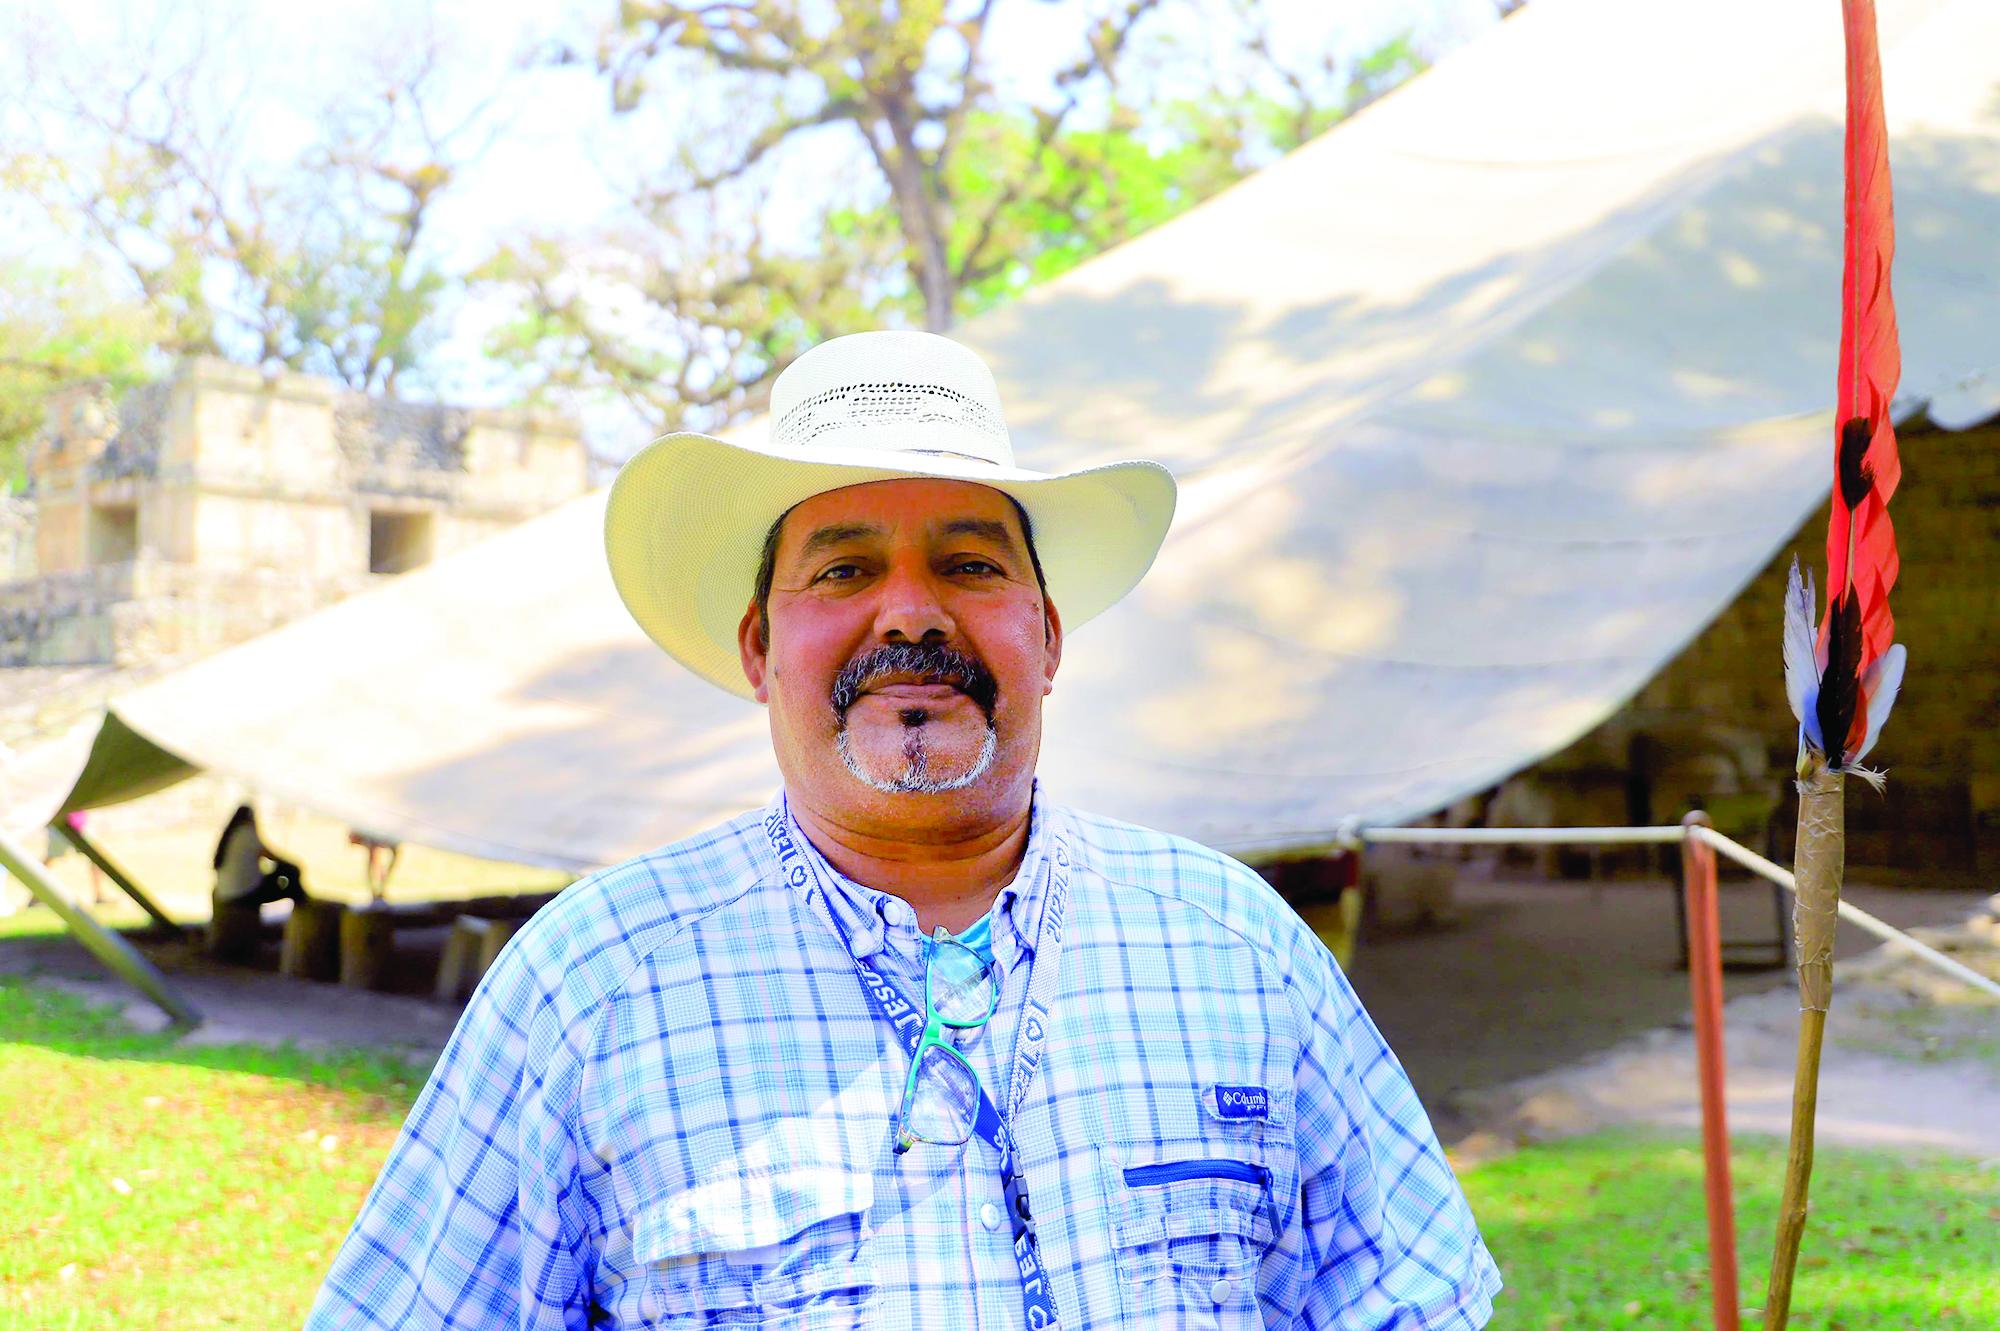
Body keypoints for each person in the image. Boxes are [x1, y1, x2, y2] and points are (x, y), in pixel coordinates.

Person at [311, 332, 1501, 1329]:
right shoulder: (592, 983)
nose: (912, 612)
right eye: (841, 571)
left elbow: (1409, 1295)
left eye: (968, 563)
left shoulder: (1236, 945)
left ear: (1044, 636)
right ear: (757, 651)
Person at [211, 804, 306, 910]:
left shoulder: (231, 836)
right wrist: (293, 864)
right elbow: (270, 855)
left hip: (226, 892)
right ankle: (302, 904)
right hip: (243, 893)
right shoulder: (246, 833)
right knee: (290, 872)